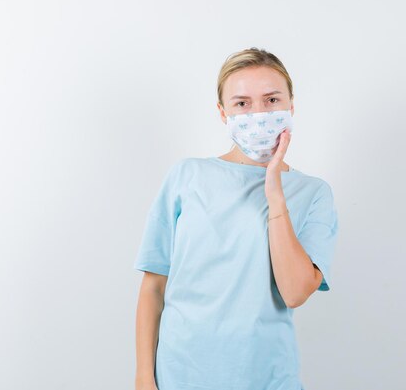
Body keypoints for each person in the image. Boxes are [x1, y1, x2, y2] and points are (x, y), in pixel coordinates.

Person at [133, 47, 339, 390]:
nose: (258, 113)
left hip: (268, 379)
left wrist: (274, 190)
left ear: (291, 104)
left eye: (272, 100)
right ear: (223, 112)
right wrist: (143, 378)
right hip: (179, 377)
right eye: (242, 103)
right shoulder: (187, 176)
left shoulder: (313, 193)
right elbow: (154, 286)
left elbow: (294, 293)